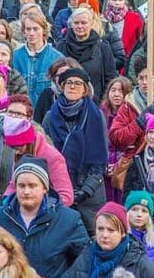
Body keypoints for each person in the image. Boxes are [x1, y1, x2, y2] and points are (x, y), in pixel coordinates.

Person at [0, 156, 90, 278]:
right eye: (21, 186)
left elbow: (84, 260)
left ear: (45, 188)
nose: (26, 191)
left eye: (32, 186)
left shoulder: (69, 219)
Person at [45, 67, 109, 232]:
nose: (73, 87)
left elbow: (100, 159)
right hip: (60, 191)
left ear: (85, 89)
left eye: (78, 83)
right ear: (62, 87)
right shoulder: (50, 116)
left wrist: (85, 191)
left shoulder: (96, 115)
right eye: (69, 83)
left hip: (90, 194)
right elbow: (45, 153)